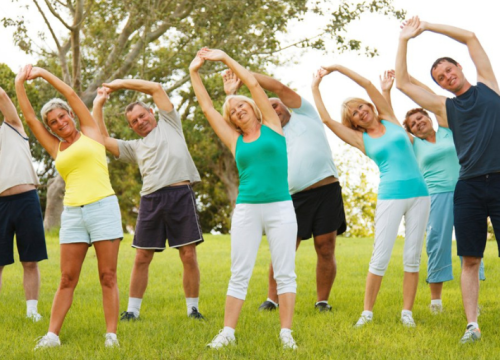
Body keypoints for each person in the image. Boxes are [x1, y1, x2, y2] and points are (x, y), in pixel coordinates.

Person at [396, 17, 500, 343]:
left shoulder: (489, 86)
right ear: (440, 85)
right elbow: (401, 83)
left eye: (449, 70)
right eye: (440, 77)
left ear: (459, 67)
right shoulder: (444, 109)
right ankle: (472, 326)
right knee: (470, 258)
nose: (447, 76)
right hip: (468, 186)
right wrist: (405, 40)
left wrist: (426, 26)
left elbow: (470, 36)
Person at [190, 48, 298, 349]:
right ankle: (227, 332)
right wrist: (193, 72)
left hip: (280, 207)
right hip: (248, 209)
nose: (238, 110)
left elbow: (251, 81)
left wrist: (225, 57)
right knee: (239, 272)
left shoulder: (274, 128)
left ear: (252, 107)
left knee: (285, 271)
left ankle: (286, 333)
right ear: (234, 121)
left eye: (241, 106)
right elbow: (208, 109)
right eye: (234, 112)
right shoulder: (235, 141)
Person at [311, 64, 430, 328]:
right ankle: (367, 312)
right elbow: (328, 120)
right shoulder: (360, 139)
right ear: (353, 122)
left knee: (413, 255)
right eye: (354, 113)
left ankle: (406, 313)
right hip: (391, 196)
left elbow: (366, 83)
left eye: (361, 106)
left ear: (370, 106)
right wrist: (315, 86)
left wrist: (338, 68)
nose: (361, 112)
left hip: (421, 194)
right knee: (380, 255)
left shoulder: (388, 116)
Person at [15, 65, 123, 349]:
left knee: (108, 276)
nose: (60, 122)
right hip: (73, 213)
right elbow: (28, 117)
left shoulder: (90, 130)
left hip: (103, 207)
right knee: (66, 278)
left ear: (71, 116)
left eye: (62, 116)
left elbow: (71, 93)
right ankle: (52, 335)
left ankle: (111, 335)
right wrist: (19, 83)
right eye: (53, 122)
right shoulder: (55, 148)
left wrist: (42, 73)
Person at [222, 70, 346, 313]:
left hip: (326, 190)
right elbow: (233, 129)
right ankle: (272, 299)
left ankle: (322, 301)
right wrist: (232, 95)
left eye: (276, 104)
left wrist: (240, 71)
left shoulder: (305, 114)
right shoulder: (268, 134)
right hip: (292, 197)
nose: (274, 108)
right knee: (285, 248)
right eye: (267, 108)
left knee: (325, 246)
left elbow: (277, 87)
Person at [92, 79, 204, 321]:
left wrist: (119, 84)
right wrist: (99, 103)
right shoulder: (135, 147)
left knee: (188, 254)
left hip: (180, 195)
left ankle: (192, 310)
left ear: (151, 112)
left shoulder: (170, 124)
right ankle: (132, 311)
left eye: (142, 116)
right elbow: (101, 138)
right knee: (142, 256)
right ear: (131, 128)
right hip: (151, 200)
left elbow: (155, 88)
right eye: (134, 121)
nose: (140, 122)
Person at [380, 70, 486, 314]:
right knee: (437, 243)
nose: (419, 122)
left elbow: (433, 99)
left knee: (470, 243)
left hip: (465, 190)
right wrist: (386, 90)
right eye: (414, 123)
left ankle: (473, 302)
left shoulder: (449, 129)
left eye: (421, 118)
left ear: (428, 118)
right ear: (412, 131)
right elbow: (389, 120)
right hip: (435, 197)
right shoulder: (413, 144)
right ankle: (435, 301)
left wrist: (409, 80)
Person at [0, 86, 47, 322]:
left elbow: (2, 95)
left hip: (26, 200)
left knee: (30, 260)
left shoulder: (12, 125)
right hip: (0, 206)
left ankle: (32, 311)